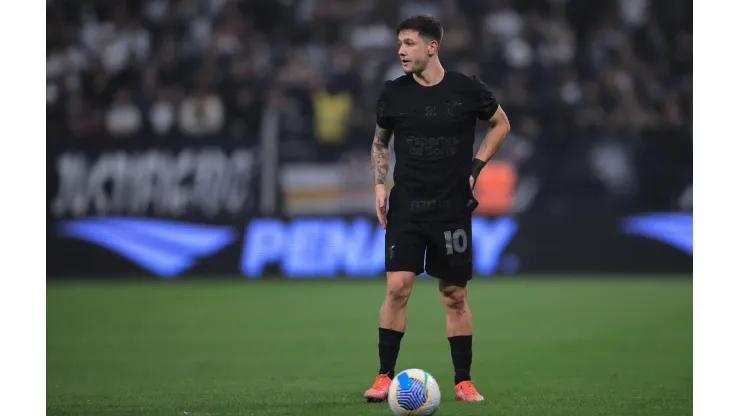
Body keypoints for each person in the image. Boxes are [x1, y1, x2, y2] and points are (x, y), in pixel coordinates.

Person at [364, 14, 511, 403]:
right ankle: (383, 377)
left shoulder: (466, 90)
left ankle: (463, 381)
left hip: (451, 210)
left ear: (432, 47)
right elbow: (380, 142)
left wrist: (475, 169)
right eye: (399, 43)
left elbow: (500, 124)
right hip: (407, 206)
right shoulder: (393, 93)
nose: (400, 50)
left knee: (454, 295)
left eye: (409, 43)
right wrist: (380, 185)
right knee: (397, 288)